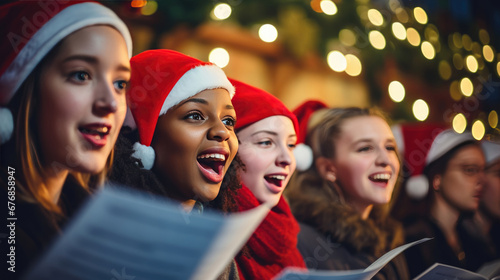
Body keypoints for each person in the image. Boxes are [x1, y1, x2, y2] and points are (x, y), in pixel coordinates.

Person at [0, 0, 132, 277]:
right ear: (25, 89)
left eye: (120, 83)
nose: (110, 102)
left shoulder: (101, 226)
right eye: (81, 75)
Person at [109, 49, 240, 279]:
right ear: (143, 143)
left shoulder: (214, 247)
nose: (222, 131)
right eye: (196, 116)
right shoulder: (106, 237)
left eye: (228, 121)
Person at [285, 105, 409, 279]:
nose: (386, 160)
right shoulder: (302, 242)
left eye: (389, 147)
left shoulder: (388, 239)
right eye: (365, 148)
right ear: (329, 168)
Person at [229, 79, 306, 279]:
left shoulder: (285, 233)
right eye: (266, 142)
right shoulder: (211, 231)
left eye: (291, 145)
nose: (287, 159)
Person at [403, 129, 494, 277]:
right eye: (470, 170)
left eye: (483, 171)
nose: (482, 180)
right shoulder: (413, 241)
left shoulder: (474, 239)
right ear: (437, 180)